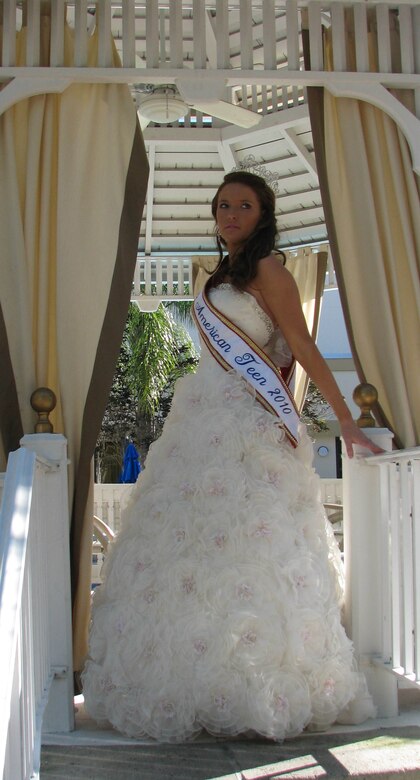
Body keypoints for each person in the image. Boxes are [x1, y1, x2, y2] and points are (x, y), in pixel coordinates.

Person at [82, 171, 381, 743]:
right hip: (201, 423)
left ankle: (257, 686)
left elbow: (302, 344)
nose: (231, 214)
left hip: (249, 430)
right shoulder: (221, 273)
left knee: (253, 550)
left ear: (262, 214)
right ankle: (194, 682)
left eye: (244, 205)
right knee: (191, 551)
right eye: (223, 206)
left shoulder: (270, 270)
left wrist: (343, 418)